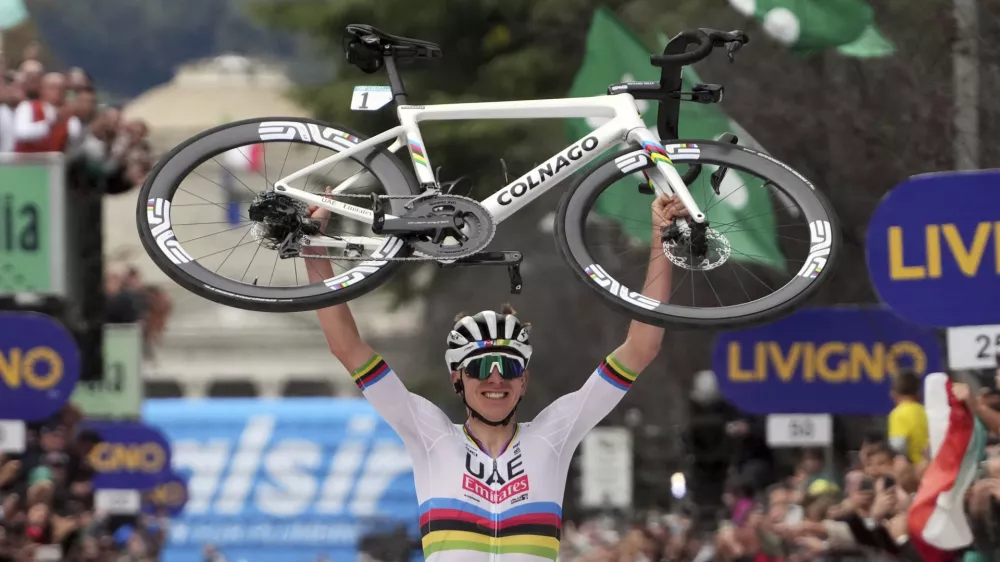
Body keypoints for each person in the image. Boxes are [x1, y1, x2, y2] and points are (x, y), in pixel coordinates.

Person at [305, 194, 687, 561]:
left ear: (524, 381)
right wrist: (313, 248)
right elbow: (348, 348)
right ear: (458, 379)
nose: (495, 379)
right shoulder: (431, 434)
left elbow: (640, 349)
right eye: (478, 368)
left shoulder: (553, 434)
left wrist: (661, 240)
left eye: (508, 367)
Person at [888, 369, 929, 465]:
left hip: (912, 469)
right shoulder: (925, 411)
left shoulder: (898, 414)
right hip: (930, 467)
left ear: (894, 393)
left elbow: (898, 448)